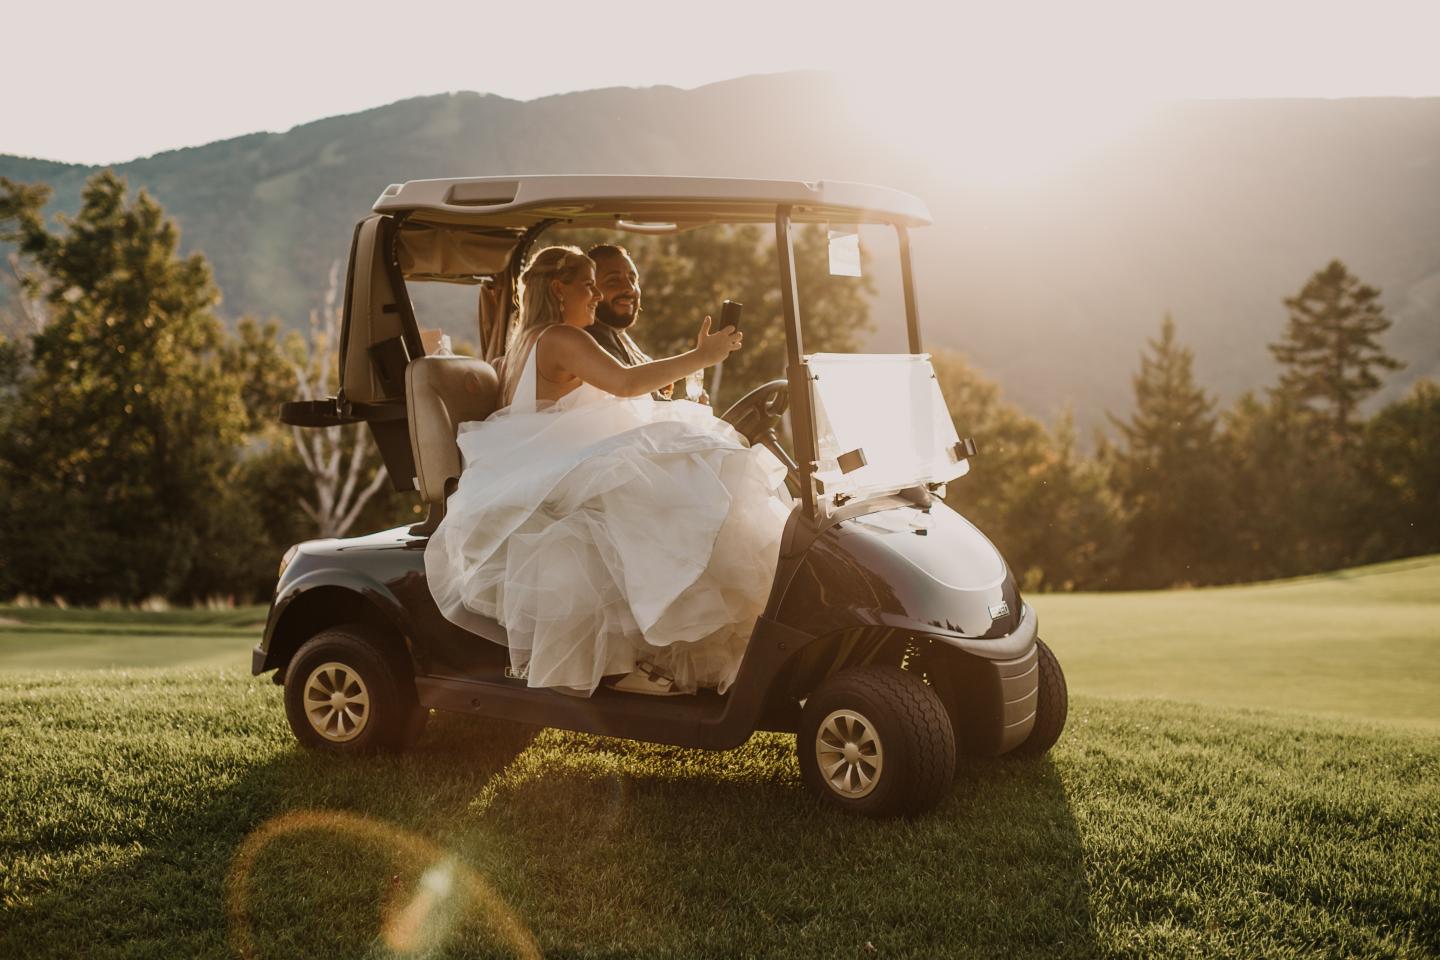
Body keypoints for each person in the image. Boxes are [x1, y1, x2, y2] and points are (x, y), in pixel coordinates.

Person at [425, 245, 792, 697]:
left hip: (540, 465)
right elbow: (624, 383)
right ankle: (674, 648)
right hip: (561, 467)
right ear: (559, 289)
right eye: (588, 285)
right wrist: (703, 356)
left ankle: (657, 650)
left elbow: (576, 404)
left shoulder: (527, 339)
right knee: (710, 478)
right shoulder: (563, 337)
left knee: (688, 467)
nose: (596, 295)